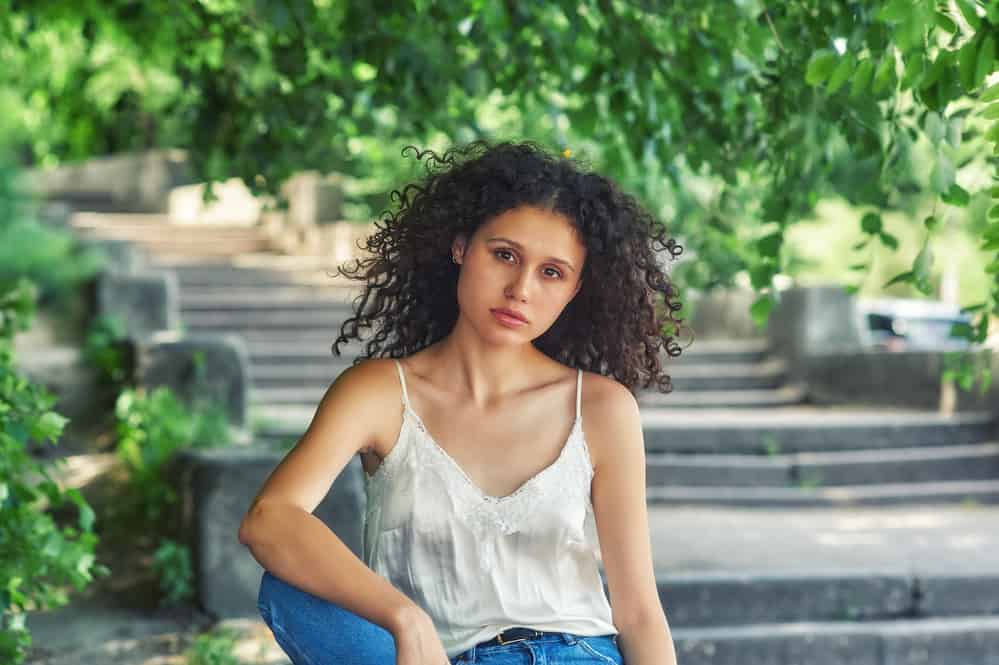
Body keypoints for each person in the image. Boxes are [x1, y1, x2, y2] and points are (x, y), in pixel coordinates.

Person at [239, 140, 686, 665]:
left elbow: (637, 611)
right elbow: (269, 520)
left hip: (574, 654)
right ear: (460, 247)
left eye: (551, 272)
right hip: (427, 656)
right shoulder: (380, 393)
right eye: (504, 255)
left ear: (575, 289)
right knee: (293, 591)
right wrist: (404, 617)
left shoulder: (602, 409)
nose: (520, 288)